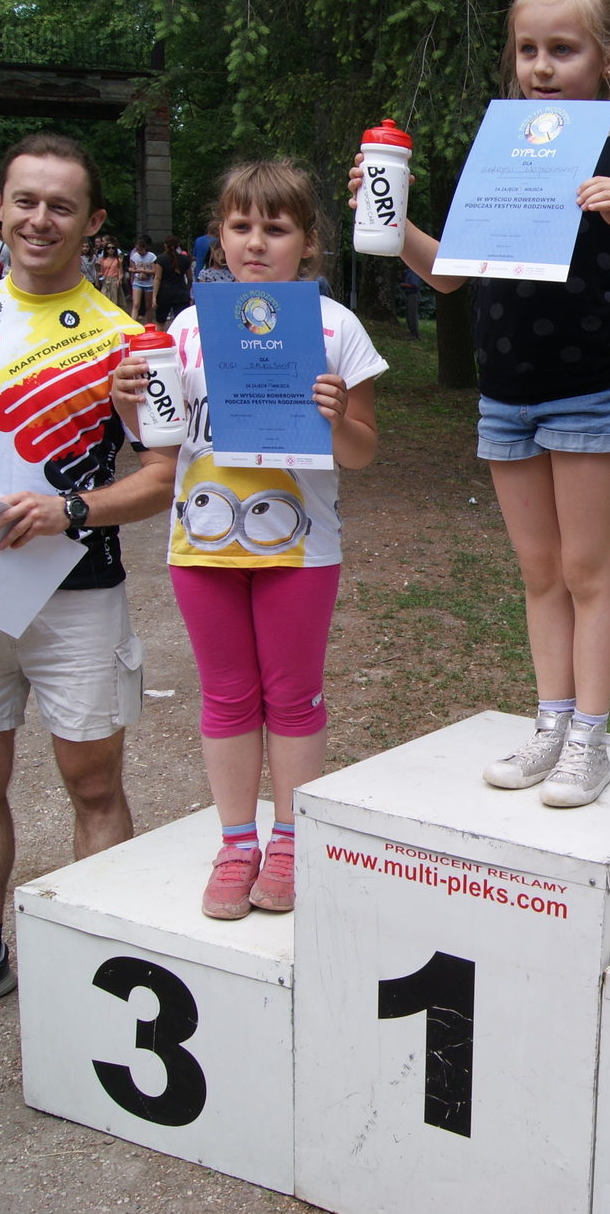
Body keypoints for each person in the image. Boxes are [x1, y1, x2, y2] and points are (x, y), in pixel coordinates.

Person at [348, 0, 610, 808]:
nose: (541, 66)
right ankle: (552, 723)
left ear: (608, 57)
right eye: (528, 49)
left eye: (563, 49)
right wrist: (395, 218)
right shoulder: (499, 149)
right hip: (505, 397)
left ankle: (591, 741)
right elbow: (450, 274)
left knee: (586, 570)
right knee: (539, 574)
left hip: (585, 393)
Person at [0, 132, 175, 1036]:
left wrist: (72, 510)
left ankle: (105, 969)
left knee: (92, 784)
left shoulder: (132, 343)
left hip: (79, 591)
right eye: (26, 201)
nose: (40, 219)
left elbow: (162, 477)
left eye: (62, 205)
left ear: (93, 222)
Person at [113, 161, 385, 919]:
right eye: (241, 226)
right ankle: (236, 843)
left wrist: (338, 419)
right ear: (219, 237)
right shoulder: (185, 328)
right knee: (228, 696)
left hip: (299, 549)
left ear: (309, 241)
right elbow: (162, 443)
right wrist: (128, 405)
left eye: (277, 227)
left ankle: (290, 840)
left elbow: (362, 451)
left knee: (292, 697)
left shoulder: (337, 327)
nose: (257, 242)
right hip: (202, 546)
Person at [156, 234, 192, 326]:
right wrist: (187, 290)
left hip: (165, 292)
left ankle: (161, 335)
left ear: (165, 245)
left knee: (160, 322)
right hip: (181, 293)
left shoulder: (161, 258)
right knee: (182, 322)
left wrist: (154, 297)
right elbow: (190, 278)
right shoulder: (185, 259)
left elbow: (157, 278)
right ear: (178, 245)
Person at [128, 234, 159, 323]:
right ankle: (132, 322)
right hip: (137, 282)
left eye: (140, 250)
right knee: (135, 304)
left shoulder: (151, 256)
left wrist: (141, 270)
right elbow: (133, 269)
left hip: (148, 283)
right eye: (137, 250)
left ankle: (149, 323)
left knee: (148, 306)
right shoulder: (134, 257)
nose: (139, 252)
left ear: (145, 248)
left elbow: (154, 271)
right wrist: (132, 272)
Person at [96, 236, 126, 310]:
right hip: (105, 281)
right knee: (104, 301)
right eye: (108, 248)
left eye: (113, 248)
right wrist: (98, 280)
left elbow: (121, 273)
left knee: (114, 302)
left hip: (114, 281)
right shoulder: (102, 260)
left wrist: (119, 280)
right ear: (106, 250)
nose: (111, 250)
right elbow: (99, 271)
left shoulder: (118, 260)